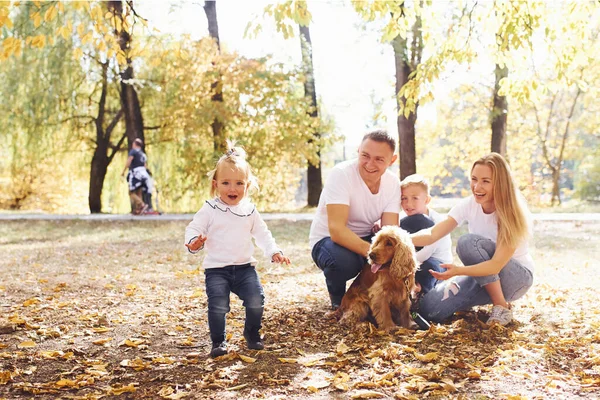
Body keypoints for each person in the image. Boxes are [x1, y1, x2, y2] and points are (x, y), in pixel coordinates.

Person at [184, 142, 291, 358]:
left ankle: (252, 333)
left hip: (244, 269)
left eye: (239, 183)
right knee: (218, 306)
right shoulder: (210, 209)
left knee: (256, 299)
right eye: (226, 183)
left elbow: (262, 233)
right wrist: (194, 241)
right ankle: (218, 342)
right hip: (217, 270)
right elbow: (193, 228)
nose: (232, 189)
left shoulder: (249, 210)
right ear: (216, 185)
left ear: (247, 185)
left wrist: (273, 251)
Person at [412, 153, 534, 326]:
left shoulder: (510, 212)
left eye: (486, 181)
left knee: (467, 243)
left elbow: (496, 265)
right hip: (484, 276)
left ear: (499, 183)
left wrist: (458, 271)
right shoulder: (469, 204)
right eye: (474, 179)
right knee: (429, 308)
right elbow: (433, 233)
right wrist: (399, 239)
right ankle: (470, 300)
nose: (477, 186)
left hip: (515, 278)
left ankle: (501, 306)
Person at [309, 129, 401, 310]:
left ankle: (383, 297)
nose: (369, 164)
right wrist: (375, 254)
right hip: (328, 242)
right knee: (342, 262)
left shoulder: (393, 183)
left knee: (402, 248)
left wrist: (388, 254)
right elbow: (337, 230)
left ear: (392, 160)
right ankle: (338, 301)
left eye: (379, 159)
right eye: (365, 155)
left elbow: (390, 230)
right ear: (358, 151)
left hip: (367, 238)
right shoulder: (341, 174)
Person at [399, 174, 453, 294]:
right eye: (404, 198)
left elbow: (427, 252)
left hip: (436, 261)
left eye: (415, 198)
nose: (408, 204)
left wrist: (402, 262)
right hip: (413, 260)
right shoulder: (402, 218)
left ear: (427, 200)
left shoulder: (437, 221)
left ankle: (419, 289)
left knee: (429, 267)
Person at [121, 138, 150, 215]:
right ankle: (139, 210)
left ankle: (142, 204)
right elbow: (145, 165)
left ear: (134, 144)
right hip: (143, 174)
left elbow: (129, 160)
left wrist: (123, 171)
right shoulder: (142, 154)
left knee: (131, 192)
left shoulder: (133, 151)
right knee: (138, 192)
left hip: (136, 174)